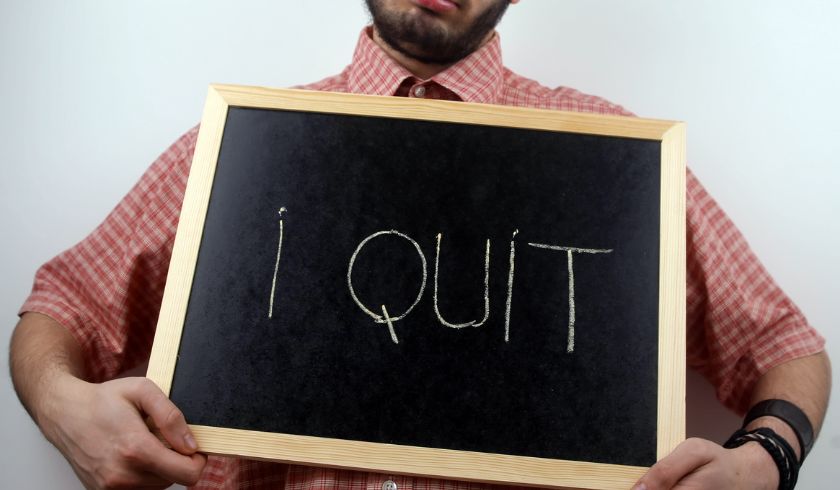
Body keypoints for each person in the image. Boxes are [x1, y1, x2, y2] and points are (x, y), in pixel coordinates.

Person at [9, 1, 830, 489]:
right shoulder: (245, 146)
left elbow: (785, 346)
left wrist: (766, 458)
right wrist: (60, 404)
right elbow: (64, 302)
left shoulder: (615, 158)